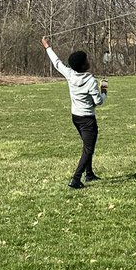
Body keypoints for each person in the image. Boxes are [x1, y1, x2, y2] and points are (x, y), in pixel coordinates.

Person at [41, 37, 108, 188]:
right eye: (87, 60)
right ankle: (76, 179)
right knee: (89, 148)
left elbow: (57, 62)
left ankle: (89, 174)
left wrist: (47, 47)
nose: (88, 61)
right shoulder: (90, 81)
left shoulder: (70, 74)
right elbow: (98, 102)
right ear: (84, 65)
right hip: (87, 119)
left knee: (86, 145)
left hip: (76, 117)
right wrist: (104, 90)